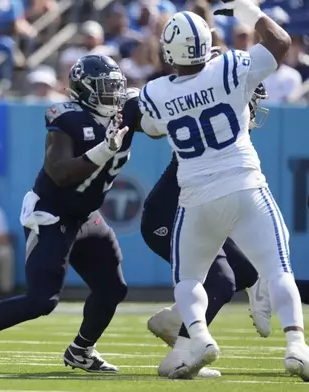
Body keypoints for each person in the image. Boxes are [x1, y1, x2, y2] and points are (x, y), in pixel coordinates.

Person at [0, 55, 141, 373]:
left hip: (86, 215)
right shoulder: (67, 118)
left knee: (113, 287)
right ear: (84, 90)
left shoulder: (127, 110)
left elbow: (158, 119)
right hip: (52, 214)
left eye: (116, 88)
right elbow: (59, 173)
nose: (113, 95)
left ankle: (81, 350)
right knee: (41, 300)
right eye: (104, 88)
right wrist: (104, 150)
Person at [138, 4, 309, 380]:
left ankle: (198, 336)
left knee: (188, 280)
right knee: (279, 270)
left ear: (169, 52)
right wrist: (247, 9)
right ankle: (296, 344)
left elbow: (150, 128)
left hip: (196, 198)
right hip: (246, 187)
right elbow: (280, 41)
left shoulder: (156, 92)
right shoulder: (230, 67)